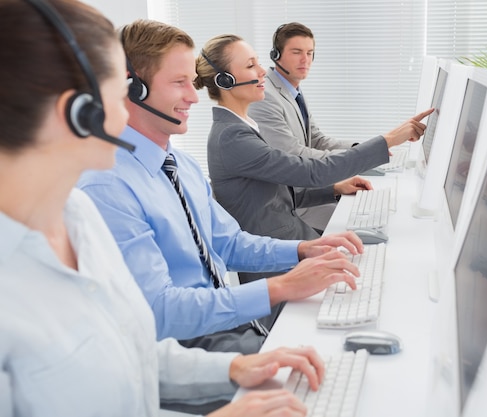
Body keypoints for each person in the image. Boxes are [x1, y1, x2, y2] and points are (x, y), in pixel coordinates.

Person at [0, 0, 325, 415]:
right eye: (118, 92)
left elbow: (128, 353)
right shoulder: (99, 194)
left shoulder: (77, 216)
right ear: (79, 114)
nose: (126, 110)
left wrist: (234, 367)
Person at [77, 19, 365, 356]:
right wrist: (281, 286)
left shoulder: (182, 166)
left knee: (338, 344)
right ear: (133, 89)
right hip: (187, 349)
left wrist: (302, 250)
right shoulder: (107, 185)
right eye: (179, 82)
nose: (193, 97)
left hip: (228, 327)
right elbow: (159, 310)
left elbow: (228, 243)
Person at [194, 34, 433, 284]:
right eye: (251, 65)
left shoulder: (240, 127)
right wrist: (390, 139)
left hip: (289, 239)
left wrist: (333, 189)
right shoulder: (232, 137)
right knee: (381, 271)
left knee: (380, 262)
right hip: (275, 260)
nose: (263, 70)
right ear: (224, 80)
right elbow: (311, 171)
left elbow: (271, 196)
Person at [245, 22, 369, 231]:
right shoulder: (265, 96)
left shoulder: (293, 91)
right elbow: (292, 153)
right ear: (276, 55)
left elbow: (317, 139)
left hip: (309, 192)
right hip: (291, 205)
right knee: (356, 226)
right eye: (297, 52)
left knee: (366, 216)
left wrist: (360, 148)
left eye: (310, 53)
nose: (306, 60)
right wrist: (353, 159)